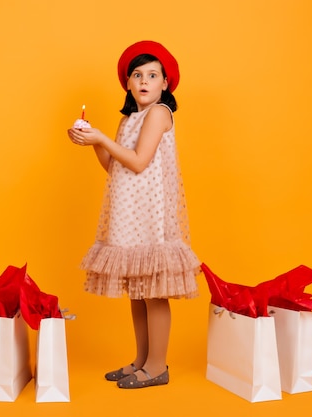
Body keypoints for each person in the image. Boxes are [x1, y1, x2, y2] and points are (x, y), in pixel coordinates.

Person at [67, 40, 200, 389]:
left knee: (154, 291)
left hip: (151, 214)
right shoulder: (128, 119)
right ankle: (141, 361)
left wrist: (102, 138)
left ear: (165, 84)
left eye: (152, 75)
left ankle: (157, 366)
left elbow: (139, 162)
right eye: (137, 75)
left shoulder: (159, 113)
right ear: (127, 83)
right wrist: (94, 140)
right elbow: (115, 167)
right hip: (129, 214)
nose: (144, 81)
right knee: (138, 292)